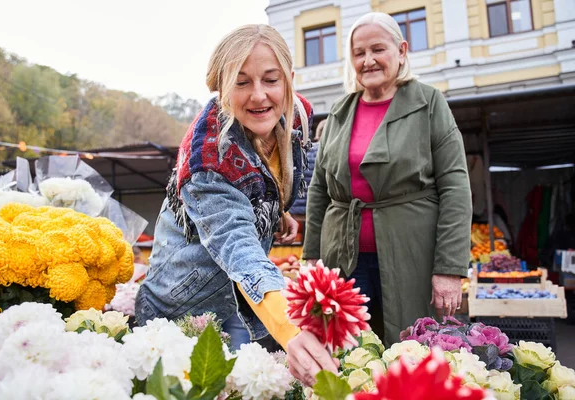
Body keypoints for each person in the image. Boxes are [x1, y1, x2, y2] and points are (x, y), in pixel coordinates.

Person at [135, 24, 337, 386]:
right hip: (186, 305)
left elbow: (270, 173)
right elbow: (238, 246)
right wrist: (291, 330)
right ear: (222, 87)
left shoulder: (297, 115)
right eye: (241, 83)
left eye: (270, 79)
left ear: (289, 80)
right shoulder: (209, 159)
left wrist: (278, 209)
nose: (259, 96)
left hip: (246, 297)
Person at [303, 12, 472, 346]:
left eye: (377, 49)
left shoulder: (428, 103)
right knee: (349, 350)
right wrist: (311, 256)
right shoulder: (339, 111)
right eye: (359, 53)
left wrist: (450, 268)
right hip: (344, 259)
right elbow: (319, 188)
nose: (368, 61)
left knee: (410, 348)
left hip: (411, 255)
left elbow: (455, 186)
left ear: (402, 50)